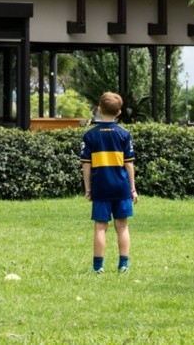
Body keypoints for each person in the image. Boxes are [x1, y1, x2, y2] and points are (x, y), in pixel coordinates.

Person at [80, 92, 138, 274]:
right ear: (119, 112)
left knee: (100, 227)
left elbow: (86, 166)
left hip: (100, 187)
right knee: (122, 226)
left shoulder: (90, 136)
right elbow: (129, 165)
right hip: (121, 187)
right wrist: (132, 189)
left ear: (99, 109)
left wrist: (88, 189)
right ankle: (124, 265)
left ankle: (98, 267)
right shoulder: (124, 134)